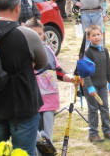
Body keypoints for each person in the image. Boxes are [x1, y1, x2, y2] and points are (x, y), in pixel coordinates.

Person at [0, 0, 48, 156]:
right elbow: (42, 62)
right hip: (22, 103)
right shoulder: (27, 34)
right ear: (17, 8)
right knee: (23, 153)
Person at [24, 18, 75, 154]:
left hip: (50, 102)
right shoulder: (23, 53)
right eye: (33, 33)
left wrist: (70, 78)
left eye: (40, 33)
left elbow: (57, 70)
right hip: (33, 102)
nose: (37, 36)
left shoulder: (49, 50)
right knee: (36, 139)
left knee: (47, 140)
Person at [82, 25, 110, 142]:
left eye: (98, 34)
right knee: (93, 109)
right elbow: (84, 73)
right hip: (92, 87)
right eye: (93, 35)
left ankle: (107, 130)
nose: (96, 37)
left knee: (105, 107)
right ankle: (93, 133)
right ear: (88, 37)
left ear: (101, 35)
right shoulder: (87, 53)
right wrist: (90, 87)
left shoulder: (104, 50)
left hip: (102, 86)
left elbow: (108, 68)